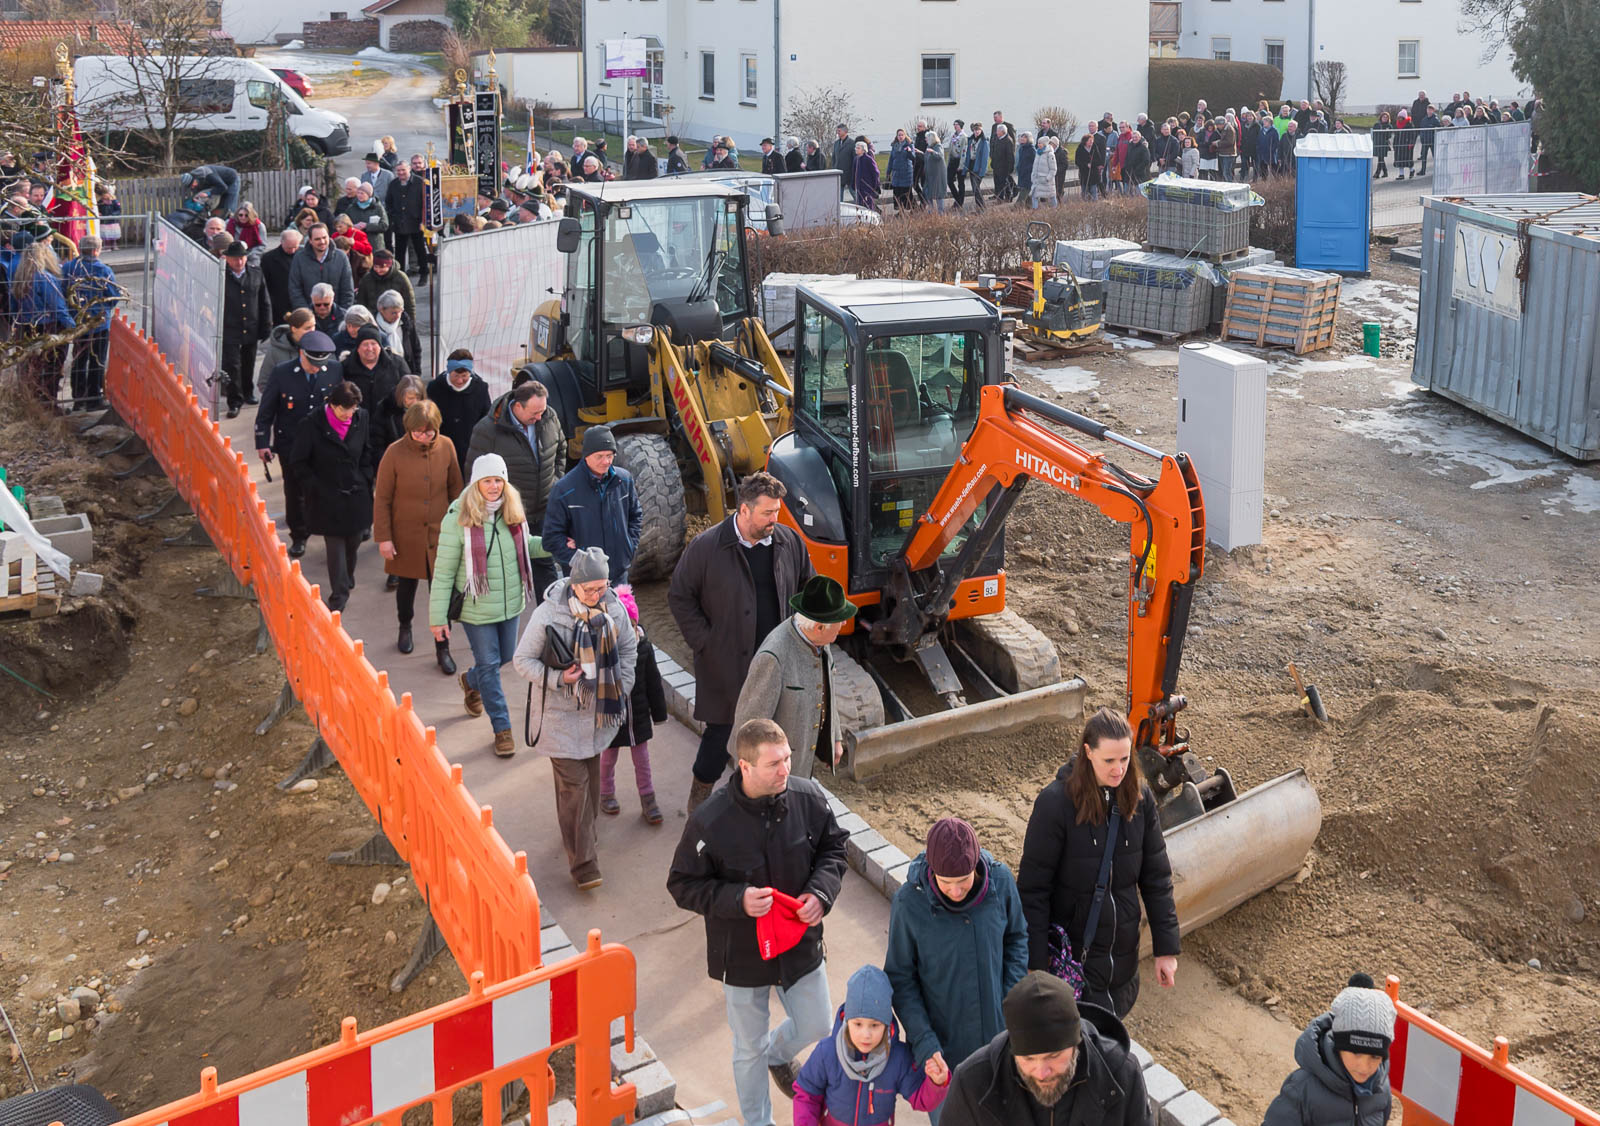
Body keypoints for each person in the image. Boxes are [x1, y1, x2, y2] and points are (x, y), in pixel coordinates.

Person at [666, 717, 851, 1126]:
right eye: (774, 764)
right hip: (742, 954)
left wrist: (821, 894)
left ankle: (778, 1054)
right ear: (745, 767)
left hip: (800, 942)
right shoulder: (710, 821)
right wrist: (736, 899)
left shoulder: (808, 797)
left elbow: (835, 848)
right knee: (747, 1048)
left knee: (818, 1022)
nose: (786, 769)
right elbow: (681, 884)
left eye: (786, 758)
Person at [1017, 708, 1180, 1018]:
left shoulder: (1140, 799)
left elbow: (1157, 878)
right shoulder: (1054, 805)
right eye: (1109, 761)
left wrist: (1166, 949)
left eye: (1125, 759)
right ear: (1088, 752)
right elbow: (1032, 891)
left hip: (1122, 973)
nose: (1119, 770)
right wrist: (1035, 967)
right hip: (1072, 974)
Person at [668, 471, 813, 812]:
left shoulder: (789, 543)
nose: (774, 520)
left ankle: (761, 804)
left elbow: (808, 588)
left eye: (777, 512)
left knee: (774, 735)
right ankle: (700, 800)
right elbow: (680, 596)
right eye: (767, 513)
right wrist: (705, 641)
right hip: (727, 666)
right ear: (744, 511)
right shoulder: (706, 547)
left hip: (777, 666)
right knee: (722, 736)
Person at [886, 817, 1028, 1124]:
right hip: (945, 1057)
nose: (955, 890)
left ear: (976, 865)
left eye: (962, 879)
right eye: (945, 881)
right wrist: (925, 1044)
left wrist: (1010, 999)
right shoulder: (909, 904)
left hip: (1000, 1045)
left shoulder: (1001, 883)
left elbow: (1017, 938)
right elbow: (901, 979)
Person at [513, 545, 638, 886]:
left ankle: (581, 832)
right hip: (558, 718)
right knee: (575, 787)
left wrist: (621, 686)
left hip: (599, 713)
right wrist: (557, 679)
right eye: (591, 589)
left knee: (589, 780)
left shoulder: (613, 606)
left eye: (603, 586)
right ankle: (583, 865)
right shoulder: (549, 613)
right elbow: (522, 661)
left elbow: (628, 647)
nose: (598, 595)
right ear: (574, 585)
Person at [939, 972, 1152, 1126]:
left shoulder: (1123, 1074)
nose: (1041, 1072)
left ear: (1075, 1043)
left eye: (1054, 1056)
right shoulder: (972, 1083)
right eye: (1028, 1059)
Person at [431, 452, 537, 758]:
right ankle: (502, 730)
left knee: (505, 657)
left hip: (510, 604)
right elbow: (443, 572)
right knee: (490, 665)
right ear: (477, 483)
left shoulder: (512, 509)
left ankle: (470, 680)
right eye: (487, 481)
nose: (493, 487)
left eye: (498, 480)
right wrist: (438, 619)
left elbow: (526, 546)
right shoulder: (458, 516)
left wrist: (555, 544)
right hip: (476, 607)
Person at [793, 965, 949, 1126]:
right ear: (846, 1019)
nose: (866, 1035)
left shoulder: (899, 1058)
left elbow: (920, 1099)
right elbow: (806, 1093)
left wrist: (936, 1083)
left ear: (887, 1025)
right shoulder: (827, 1052)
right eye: (858, 1024)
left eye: (875, 1025)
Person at [732, 575, 855, 779]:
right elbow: (749, 725)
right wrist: (752, 783)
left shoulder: (820, 641)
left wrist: (835, 738)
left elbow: (827, 689)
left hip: (801, 767)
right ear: (819, 627)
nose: (844, 622)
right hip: (775, 774)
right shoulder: (773, 658)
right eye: (839, 619)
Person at [374, 397, 462, 667]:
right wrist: (384, 538)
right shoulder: (394, 452)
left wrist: (461, 529)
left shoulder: (447, 446)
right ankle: (405, 626)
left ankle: (442, 647)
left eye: (429, 431)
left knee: (442, 593)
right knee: (406, 586)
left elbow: (456, 491)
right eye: (418, 431)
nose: (424, 436)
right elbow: (383, 498)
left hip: (441, 535)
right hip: (405, 535)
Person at [467, 378, 565, 600]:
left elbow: (561, 449)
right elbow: (474, 474)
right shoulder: (487, 430)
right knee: (508, 571)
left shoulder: (548, 418)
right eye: (534, 412)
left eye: (542, 410)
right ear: (517, 406)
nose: (539, 416)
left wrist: (555, 481)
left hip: (543, 510)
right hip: (507, 514)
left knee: (546, 569)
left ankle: (548, 621)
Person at [288, 380, 375, 612]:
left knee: (354, 540)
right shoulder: (311, 424)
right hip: (327, 496)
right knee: (335, 546)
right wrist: (314, 487)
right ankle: (339, 594)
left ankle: (347, 576)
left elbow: (366, 450)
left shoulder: (361, 418)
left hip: (356, 493)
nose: (350, 414)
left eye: (354, 408)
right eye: (345, 409)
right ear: (333, 405)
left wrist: (367, 478)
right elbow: (298, 461)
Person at [1263, 977, 1396, 1126]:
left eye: (1375, 1056)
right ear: (1338, 1046)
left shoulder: (1381, 1089)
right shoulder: (1303, 1088)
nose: (1364, 1066)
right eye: (1356, 1053)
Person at [256, 330, 341, 557]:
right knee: (294, 492)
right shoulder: (282, 373)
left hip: (324, 443)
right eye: (312, 362)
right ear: (301, 353)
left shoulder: (333, 370)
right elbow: (266, 411)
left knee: (325, 488)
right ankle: (299, 535)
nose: (316, 368)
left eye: (320, 363)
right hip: (291, 444)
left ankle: (327, 528)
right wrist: (262, 442)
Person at [543, 425, 642, 584]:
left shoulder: (624, 480)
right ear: (586, 456)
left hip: (619, 575)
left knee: (621, 610)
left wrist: (628, 547)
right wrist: (577, 561)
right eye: (600, 456)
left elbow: (635, 515)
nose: (606, 461)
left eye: (610, 455)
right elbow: (551, 538)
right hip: (584, 582)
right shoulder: (564, 490)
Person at [61, 234, 121, 411]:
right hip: (99, 323)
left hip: (77, 321)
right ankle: (94, 399)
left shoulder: (69, 267)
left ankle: (78, 399)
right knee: (97, 360)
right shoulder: (104, 270)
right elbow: (113, 295)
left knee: (79, 360)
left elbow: (63, 291)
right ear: (96, 250)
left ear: (80, 249)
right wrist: (105, 308)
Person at [12, 240, 73, 407]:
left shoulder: (20, 278)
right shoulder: (45, 278)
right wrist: (72, 327)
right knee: (51, 367)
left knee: (30, 367)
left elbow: (13, 306)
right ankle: (48, 403)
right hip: (48, 327)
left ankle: (31, 402)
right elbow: (58, 307)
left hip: (25, 327)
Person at [219, 240, 271, 418]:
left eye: (241, 258)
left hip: (251, 325)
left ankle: (248, 392)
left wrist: (267, 325)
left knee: (249, 361)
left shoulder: (256, 273)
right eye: (234, 259)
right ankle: (235, 400)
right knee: (232, 365)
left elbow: (264, 300)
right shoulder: (220, 275)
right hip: (229, 327)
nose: (239, 262)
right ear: (226, 259)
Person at [427, 350, 493, 477]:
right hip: (441, 449)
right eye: (455, 376)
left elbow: (486, 419)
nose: (459, 380)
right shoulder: (435, 388)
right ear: (448, 371)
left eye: (464, 376)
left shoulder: (480, 388)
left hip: (470, 450)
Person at [288, 224, 354, 310]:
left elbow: (347, 290)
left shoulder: (341, 257)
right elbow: (295, 289)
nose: (322, 242)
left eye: (324, 237)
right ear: (310, 240)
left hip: (337, 315)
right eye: (317, 239)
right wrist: (306, 314)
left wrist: (341, 314)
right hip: (308, 316)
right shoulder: (299, 258)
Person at [384, 159, 429, 282]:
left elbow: (425, 203)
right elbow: (389, 202)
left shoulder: (419, 182)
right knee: (399, 252)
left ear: (409, 169)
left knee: (420, 249)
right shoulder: (394, 184)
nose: (401, 173)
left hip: (416, 222)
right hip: (399, 223)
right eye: (398, 170)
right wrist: (393, 216)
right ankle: (400, 276)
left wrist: (423, 221)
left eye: (403, 170)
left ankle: (424, 274)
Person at [355, 248, 416, 322]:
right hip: (373, 320)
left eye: (382, 267)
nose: (378, 270)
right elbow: (361, 302)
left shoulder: (401, 278)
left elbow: (409, 304)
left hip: (397, 320)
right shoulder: (367, 279)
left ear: (389, 265)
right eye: (375, 267)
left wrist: (411, 324)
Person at [259, 228, 301, 327]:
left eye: (295, 247)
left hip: (299, 303)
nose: (292, 250)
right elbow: (264, 284)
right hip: (278, 306)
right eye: (289, 247)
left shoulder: (303, 255)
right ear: (281, 242)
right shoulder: (268, 259)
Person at [373, 289, 420, 374]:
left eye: (400, 311)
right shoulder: (373, 327)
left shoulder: (406, 323)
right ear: (381, 310)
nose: (398, 316)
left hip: (406, 373)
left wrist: (417, 373)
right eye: (393, 313)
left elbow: (416, 349)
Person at [888, 132, 916, 212]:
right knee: (897, 192)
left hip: (906, 172)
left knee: (906, 192)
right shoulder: (894, 146)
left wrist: (909, 151)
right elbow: (891, 159)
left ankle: (912, 208)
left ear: (905, 136)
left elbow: (913, 158)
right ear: (896, 136)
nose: (900, 136)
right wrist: (888, 171)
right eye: (899, 135)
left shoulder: (909, 145)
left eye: (902, 135)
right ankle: (901, 210)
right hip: (896, 173)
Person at [852, 142, 880, 212]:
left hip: (867, 187)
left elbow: (875, 172)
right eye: (856, 148)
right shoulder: (856, 159)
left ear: (863, 150)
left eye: (858, 148)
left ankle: (870, 219)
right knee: (860, 205)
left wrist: (875, 185)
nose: (856, 149)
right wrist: (853, 183)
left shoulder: (868, 159)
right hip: (859, 187)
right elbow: (854, 172)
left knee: (868, 205)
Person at [1029, 137, 1057, 208]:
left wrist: (1048, 178)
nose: (1038, 144)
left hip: (1046, 181)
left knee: (1051, 195)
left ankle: (1055, 209)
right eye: (1038, 143)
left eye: (1040, 143)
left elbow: (1053, 169)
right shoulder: (1038, 153)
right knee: (1034, 195)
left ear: (1044, 144)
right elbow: (1035, 166)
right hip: (1037, 179)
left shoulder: (1050, 154)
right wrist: (1033, 175)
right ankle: (1034, 210)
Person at [990, 125, 1016, 202]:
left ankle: (1005, 197)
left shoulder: (1008, 141)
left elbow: (1010, 156)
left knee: (1004, 183)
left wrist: (1010, 167)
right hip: (996, 165)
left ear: (1002, 132)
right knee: (999, 183)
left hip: (1004, 166)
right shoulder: (997, 139)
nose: (996, 132)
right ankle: (1003, 197)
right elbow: (994, 151)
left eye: (997, 131)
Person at [923, 134, 948, 214]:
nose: (925, 139)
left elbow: (940, 156)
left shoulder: (938, 146)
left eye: (926, 138)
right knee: (927, 192)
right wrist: (920, 152)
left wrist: (933, 152)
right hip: (929, 174)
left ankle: (941, 212)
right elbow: (927, 157)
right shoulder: (929, 146)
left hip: (937, 175)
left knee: (938, 193)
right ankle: (930, 211)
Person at [945, 122, 967, 209]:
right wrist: (948, 162)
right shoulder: (953, 136)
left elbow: (963, 152)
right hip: (953, 161)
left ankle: (960, 202)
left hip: (959, 161)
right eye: (954, 124)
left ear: (960, 126)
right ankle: (957, 199)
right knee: (949, 181)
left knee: (961, 183)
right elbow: (950, 149)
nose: (955, 126)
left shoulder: (963, 137)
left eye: (956, 124)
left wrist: (961, 165)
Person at [831, 124, 855, 197]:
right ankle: (840, 208)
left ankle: (862, 207)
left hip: (849, 174)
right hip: (838, 174)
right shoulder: (836, 143)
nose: (837, 133)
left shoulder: (852, 143)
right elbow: (834, 158)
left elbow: (854, 159)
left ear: (845, 131)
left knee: (854, 193)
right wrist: (834, 169)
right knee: (839, 196)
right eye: (837, 131)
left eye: (839, 131)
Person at [1371, 112, 1393, 179]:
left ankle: (1377, 173)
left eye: (1386, 117)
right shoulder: (1377, 125)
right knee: (1381, 158)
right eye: (1384, 117)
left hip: (1384, 144)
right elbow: (1373, 134)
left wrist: (1387, 131)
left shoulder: (1389, 126)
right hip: (1377, 143)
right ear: (1381, 117)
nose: (1385, 118)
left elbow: (1389, 136)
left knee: (1381, 158)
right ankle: (1385, 172)